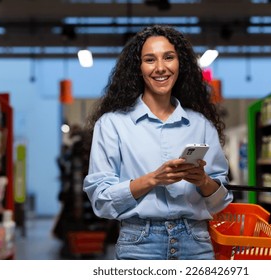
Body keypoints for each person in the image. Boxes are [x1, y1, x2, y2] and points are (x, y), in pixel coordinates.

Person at [83, 25, 233, 260]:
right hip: (139, 244)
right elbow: (101, 199)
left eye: (169, 57)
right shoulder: (112, 124)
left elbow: (220, 201)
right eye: (150, 59)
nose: (161, 68)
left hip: (196, 243)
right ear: (138, 68)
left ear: (179, 63)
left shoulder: (200, 124)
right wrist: (154, 179)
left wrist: (203, 181)